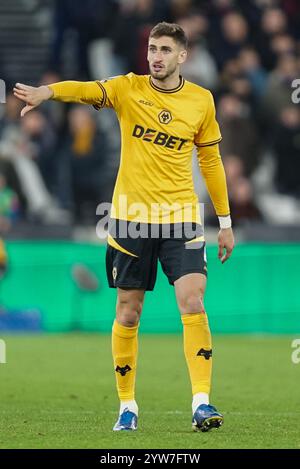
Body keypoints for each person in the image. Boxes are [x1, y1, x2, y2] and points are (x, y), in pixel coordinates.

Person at [13, 22, 234, 433]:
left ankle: (202, 402)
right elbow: (86, 89)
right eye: (152, 48)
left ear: (182, 56)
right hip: (130, 219)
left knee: (192, 301)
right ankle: (127, 407)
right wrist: (48, 92)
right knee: (129, 312)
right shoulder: (128, 88)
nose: (156, 56)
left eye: (165, 50)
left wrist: (224, 221)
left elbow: (211, 163)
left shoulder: (201, 101)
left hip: (181, 218)